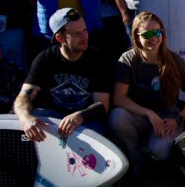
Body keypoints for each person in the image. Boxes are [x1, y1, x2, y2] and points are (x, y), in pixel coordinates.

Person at [108, 11, 185, 175]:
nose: (153, 38)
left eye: (157, 32)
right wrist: (149, 113)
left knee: (159, 153)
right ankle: (134, 158)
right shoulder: (127, 60)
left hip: (168, 118)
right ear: (137, 36)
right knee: (117, 117)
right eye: (147, 34)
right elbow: (119, 98)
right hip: (140, 117)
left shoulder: (173, 60)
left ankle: (169, 156)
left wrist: (178, 119)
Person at [13, 7, 112, 140]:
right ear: (60, 38)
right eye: (77, 34)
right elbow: (24, 96)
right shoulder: (45, 59)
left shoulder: (97, 59)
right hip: (52, 117)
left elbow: (102, 105)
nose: (85, 37)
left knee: (99, 133)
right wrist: (26, 119)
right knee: (31, 125)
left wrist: (79, 116)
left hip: (85, 119)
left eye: (85, 30)